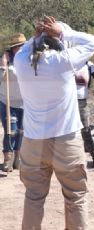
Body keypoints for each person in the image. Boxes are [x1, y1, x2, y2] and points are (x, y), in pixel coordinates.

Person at [14, 16, 94, 229]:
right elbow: (93, 41)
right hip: (65, 139)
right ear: (58, 39)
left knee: (33, 197)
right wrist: (62, 30)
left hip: (33, 141)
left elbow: (27, 47)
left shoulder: (21, 61)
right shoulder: (63, 61)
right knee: (76, 196)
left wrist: (39, 34)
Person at [0, 33, 26, 173]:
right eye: (17, 47)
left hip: (25, 102)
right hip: (7, 101)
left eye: (22, 46)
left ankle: (18, 159)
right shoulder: (5, 60)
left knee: (22, 132)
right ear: (12, 48)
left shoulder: (28, 60)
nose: (20, 49)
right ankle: (7, 159)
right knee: (11, 131)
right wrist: (3, 67)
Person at [75, 60, 94, 168]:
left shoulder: (89, 65)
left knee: (85, 130)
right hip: (66, 101)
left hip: (82, 101)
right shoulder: (67, 61)